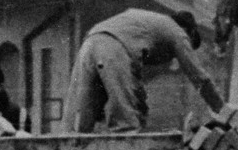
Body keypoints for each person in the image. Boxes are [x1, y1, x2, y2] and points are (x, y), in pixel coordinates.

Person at [63, 9, 225, 133]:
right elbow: (199, 77)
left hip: (89, 43)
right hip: (113, 49)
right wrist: (222, 110)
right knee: (125, 124)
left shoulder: (147, 25)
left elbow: (133, 80)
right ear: (189, 31)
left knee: (79, 122)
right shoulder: (178, 33)